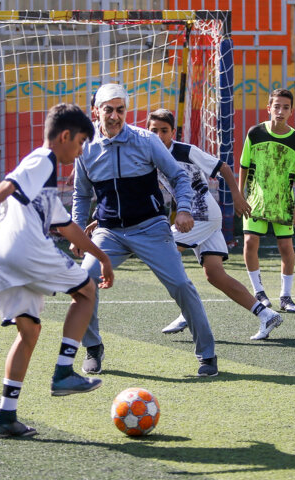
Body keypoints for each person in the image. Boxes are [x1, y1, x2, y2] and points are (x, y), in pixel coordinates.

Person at [0, 103, 114, 439]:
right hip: (25, 248)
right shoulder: (43, 159)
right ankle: (65, 371)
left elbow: (67, 227)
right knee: (86, 291)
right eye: (81, 141)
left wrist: (102, 256)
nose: (81, 149)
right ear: (65, 136)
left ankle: (4, 418)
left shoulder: (44, 186)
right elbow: (9, 184)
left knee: (29, 334)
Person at [71, 83, 219, 377]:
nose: (114, 116)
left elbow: (178, 176)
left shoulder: (146, 140)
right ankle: (93, 347)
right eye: (108, 109)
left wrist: (185, 208)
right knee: (84, 281)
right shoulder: (84, 149)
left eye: (120, 109)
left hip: (151, 227)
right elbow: (81, 195)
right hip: (109, 232)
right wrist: (76, 230)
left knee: (181, 285)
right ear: (95, 112)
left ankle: (208, 355)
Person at [140, 108, 284, 341]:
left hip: (203, 213)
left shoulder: (185, 151)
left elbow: (223, 168)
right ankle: (266, 314)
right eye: (153, 130)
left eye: (163, 130)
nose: (158, 135)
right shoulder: (148, 156)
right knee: (215, 275)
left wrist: (237, 196)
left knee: (162, 252)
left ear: (172, 132)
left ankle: (188, 309)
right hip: (198, 217)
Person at [239, 88, 295, 322]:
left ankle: (286, 296)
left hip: (283, 204)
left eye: (285, 107)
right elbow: (244, 166)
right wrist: (240, 195)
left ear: (291, 111)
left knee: (286, 248)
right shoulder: (255, 133)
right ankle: (259, 292)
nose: (280, 111)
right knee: (250, 242)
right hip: (255, 201)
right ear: (268, 108)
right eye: (276, 106)